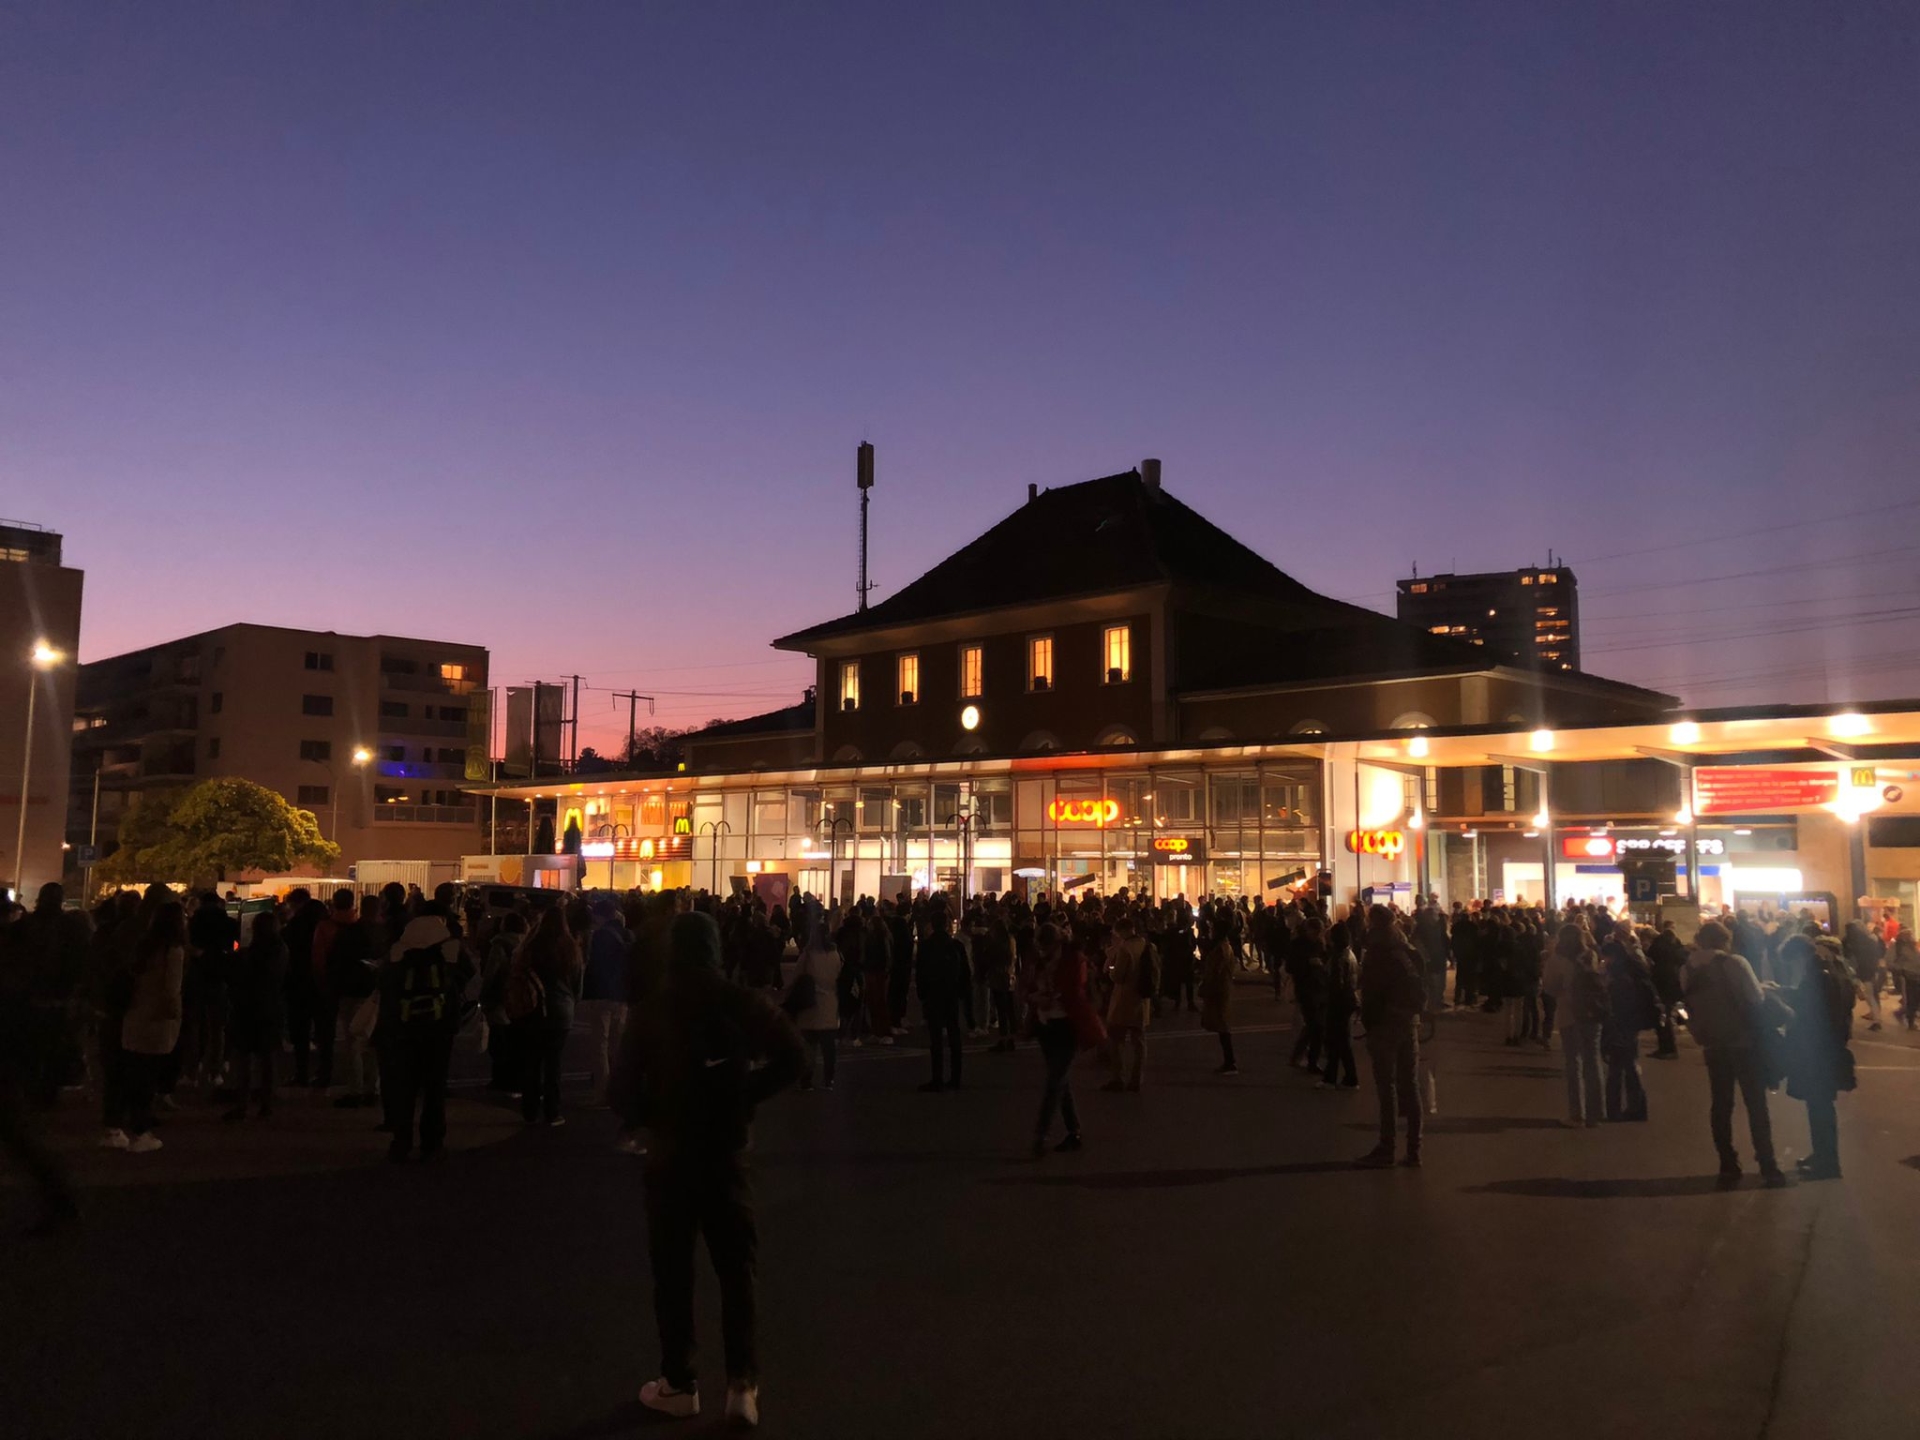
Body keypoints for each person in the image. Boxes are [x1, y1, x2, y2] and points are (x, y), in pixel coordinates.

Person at [621, 911, 804, 1427]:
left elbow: (621, 1084)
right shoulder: (737, 1001)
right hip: (726, 1153)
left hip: (670, 1156)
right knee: (736, 1270)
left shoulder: (655, 1007)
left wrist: (643, 1118)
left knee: (674, 1272)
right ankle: (742, 1385)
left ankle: (679, 1382)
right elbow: (793, 1055)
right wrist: (743, 1096)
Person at [1683, 921, 1786, 1187]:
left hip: (1712, 1044)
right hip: (1743, 1041)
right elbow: (1755, 999)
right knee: (1755, 1105)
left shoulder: (1687, 969)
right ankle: (1767, 1163)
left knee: (1721, 1104)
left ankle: (1727, 1163)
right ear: (1725, 940)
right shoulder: (1735, 964)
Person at [380, 894, 472, 1162]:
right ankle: (432, 1140)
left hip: (403, 1025)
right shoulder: (450, 947)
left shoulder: (399, 947)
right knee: (434, 1085)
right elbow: (468, 975)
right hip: (440, 1025)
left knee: (403, 1085)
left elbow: (385, 983)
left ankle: (401, 1140)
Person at [0, 916, 77, 1232]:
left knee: (19, 1137)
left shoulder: (13, 971)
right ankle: (61, 1203)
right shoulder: (25, 966)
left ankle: (61, 1204)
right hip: (13, 1060)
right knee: (19, 1137)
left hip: (8, 1060)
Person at [1355, 906, 1424, 1168]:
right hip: (1408, 1021)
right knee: (1411, 1084)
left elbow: (1370, 989)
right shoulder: (1407, 950)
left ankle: (1387, 1146)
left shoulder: (1377, 952)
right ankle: (1414, 1149)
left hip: (1384, 1024)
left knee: (1387, 1088)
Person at [1782, 934, 1855, 1181]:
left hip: (1818, 1051)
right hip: (1830, 1047)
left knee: (1819, 1107)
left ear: (1799, 957)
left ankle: (1828, 1162)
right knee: (1820, 1106)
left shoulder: (1818, 976)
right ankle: (1823, 1155)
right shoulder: (1830, 971)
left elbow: (1810, 1009)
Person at [1026, 922, 1102, 1157]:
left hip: (1067, 1024)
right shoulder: (1040, 960)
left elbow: (1075, 988)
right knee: (1060, 1080)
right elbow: (1026, 984)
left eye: (1045, 946)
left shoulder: (1073, 958)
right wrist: (1034, 997)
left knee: (1055, 1080)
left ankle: (1041, 1133)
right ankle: (1074, 1130)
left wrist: (1050, 996)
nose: (1042, 951)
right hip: (1046, 1023)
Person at [120, 903, 188, 1154]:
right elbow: (171, 990)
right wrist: (176, 1015)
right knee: (149, 1076)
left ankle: (132, 1125)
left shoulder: (144, 946)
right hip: (157, 1020)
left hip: (134, 1016)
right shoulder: (173, 950)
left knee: (136, 1074)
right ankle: (142, 1132)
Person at [515, 906, 582, 1127]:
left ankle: (530, 1109)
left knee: (531, 1061)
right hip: (561, 1011)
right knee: (553, 1063)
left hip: (532, 1008)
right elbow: (577, 985)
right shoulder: (570, 948)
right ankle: (552, 1112)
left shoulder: (531, 947)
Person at [224, 911, 288, 1121]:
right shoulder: (280, 951)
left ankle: (242, 1103)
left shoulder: (247, 954)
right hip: (270, 1006)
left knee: (243, 1057)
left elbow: (236, 978)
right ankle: (266, 1102)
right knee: (267, 1057)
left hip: (247, 1008)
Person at [1544, 924, 1606, 1128]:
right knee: (1593, 1060)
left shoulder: (1557, 959)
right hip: (1593, 1013)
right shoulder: (1590, 955)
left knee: (1574, 1063)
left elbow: (1549, 987)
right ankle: (1597, 1112)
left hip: (1570, 1014)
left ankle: (1577, 1113)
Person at [1600, 921, 1658, 1122]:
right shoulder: (1632, 969)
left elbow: (1617, 1004)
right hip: (1631, 1024)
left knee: (1617, 1069)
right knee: (1630, 1066)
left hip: (1621, 1025)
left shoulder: (1620, 978)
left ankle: (1614, 1109)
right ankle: (1636, 1107)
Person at [580, 900, 631, 1107]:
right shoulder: (627, 934)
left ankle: (603, 1092)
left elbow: (596, 967)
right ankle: (621, 1089)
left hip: (602, 994)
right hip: (621, 995)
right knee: (618, 1046)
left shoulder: (601, 936)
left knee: (600, 1043)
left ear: (600, 916)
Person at [915, 906, 969, 1092]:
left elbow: (920, 973)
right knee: (954, 1035)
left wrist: (922, 994)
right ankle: (956, 1077)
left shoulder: (926, 946)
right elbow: (965, 973)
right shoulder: (956, 946)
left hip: (934, 994)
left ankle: (937, 1078)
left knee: (936, 1038)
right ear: (947, 925)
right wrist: (962, 992)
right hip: (951, 994)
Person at [785, 919, 842, 1090]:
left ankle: (807, 1080)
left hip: (810, 1003)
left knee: (809, 1045)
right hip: (830, 1002)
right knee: (828, 1047)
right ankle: (829, 1079)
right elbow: (838, 976)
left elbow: (796, 976)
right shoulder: (834, 954)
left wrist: (789, 995)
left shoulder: (808, 955)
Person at [1101, 914, 1154, 1093]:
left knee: (1116, 1040)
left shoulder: (1125, 949)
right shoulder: (1146, 945)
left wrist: (1110, 968)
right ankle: (1137, 1079)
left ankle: (1118, 1078)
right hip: (1142, 998)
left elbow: (1118, 976)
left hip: (1125, 999)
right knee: (1139, 1041)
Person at [1318, 920, 1360, 1090]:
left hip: (1339, 1003)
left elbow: (1336, 984)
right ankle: (1335, 1077)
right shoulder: (1349, 954)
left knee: (1338, 1041)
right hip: (1348, 1000)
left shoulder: (1338, 958)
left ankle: (1347, 1078)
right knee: (1339, 1042)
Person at [1199, 918, 1238, 1076]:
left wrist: (1206, 986)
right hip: (1221, 989)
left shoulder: (1221, 949)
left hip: (1219, 990)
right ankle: (1229, 1061)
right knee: (1222, 1026)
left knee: (1223, 1026)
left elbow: (1215, 971)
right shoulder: (1222, 947)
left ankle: (1230, 1062)